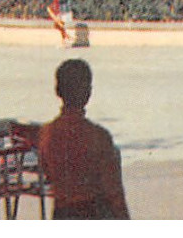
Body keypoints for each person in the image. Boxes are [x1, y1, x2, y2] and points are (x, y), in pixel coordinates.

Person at [37, 58, 129, 219]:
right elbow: (114, 193)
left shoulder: (47, 134)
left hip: (62, 214)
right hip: (94, 214)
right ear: (88, 93)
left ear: (58, 90)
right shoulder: (99, 137)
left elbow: (48, 173)